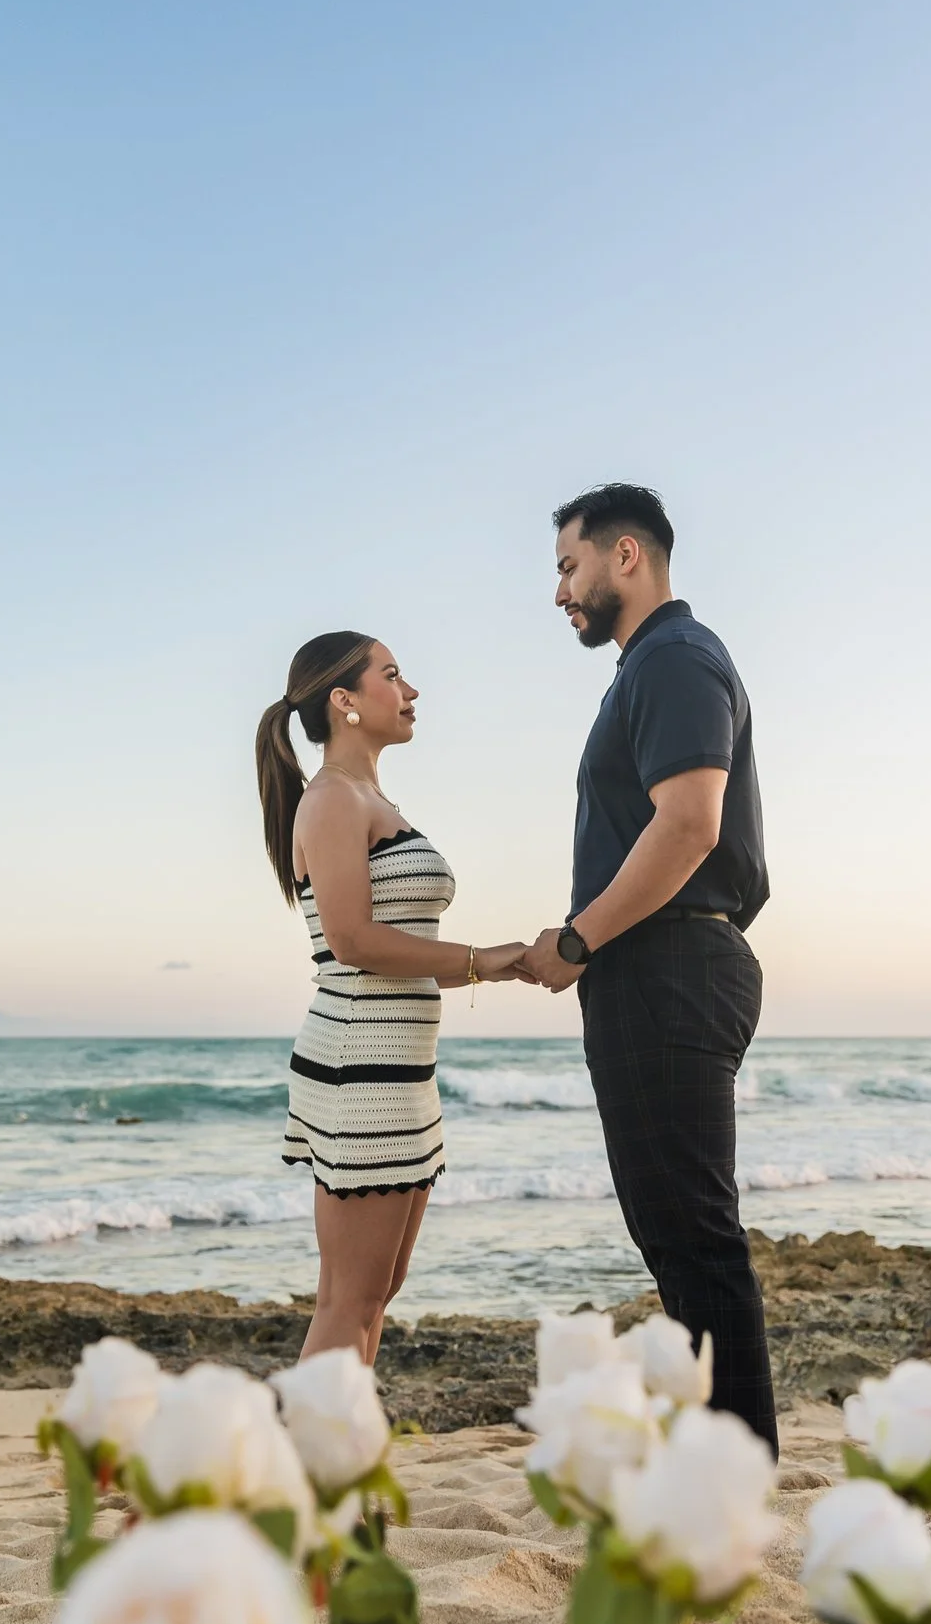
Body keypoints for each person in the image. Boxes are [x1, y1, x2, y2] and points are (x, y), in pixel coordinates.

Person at [517, 484, 779, 1452]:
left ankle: (733, 1479)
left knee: (695, 1240)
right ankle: (717, 1467)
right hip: (663, 963)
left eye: (566, 566)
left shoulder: (672, 656)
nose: (559, 592)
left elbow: (688, 823)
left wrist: (579, 938)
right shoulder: (653, 665)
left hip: (667, 961)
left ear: (625, 555)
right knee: (677, 1236)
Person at [255, 631, 534, 1364]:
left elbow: (397, 948)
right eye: (393, 675)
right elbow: (351, 941)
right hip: (359, 1067)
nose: (410, 691)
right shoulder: (331, 799)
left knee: (374, 1292)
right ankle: (311, 1471)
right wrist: (483, 960)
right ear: (343, 701)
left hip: (399, 1068)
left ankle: (340, 1454)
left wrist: (495, 965)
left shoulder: (370, 797)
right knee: (350, 1298)